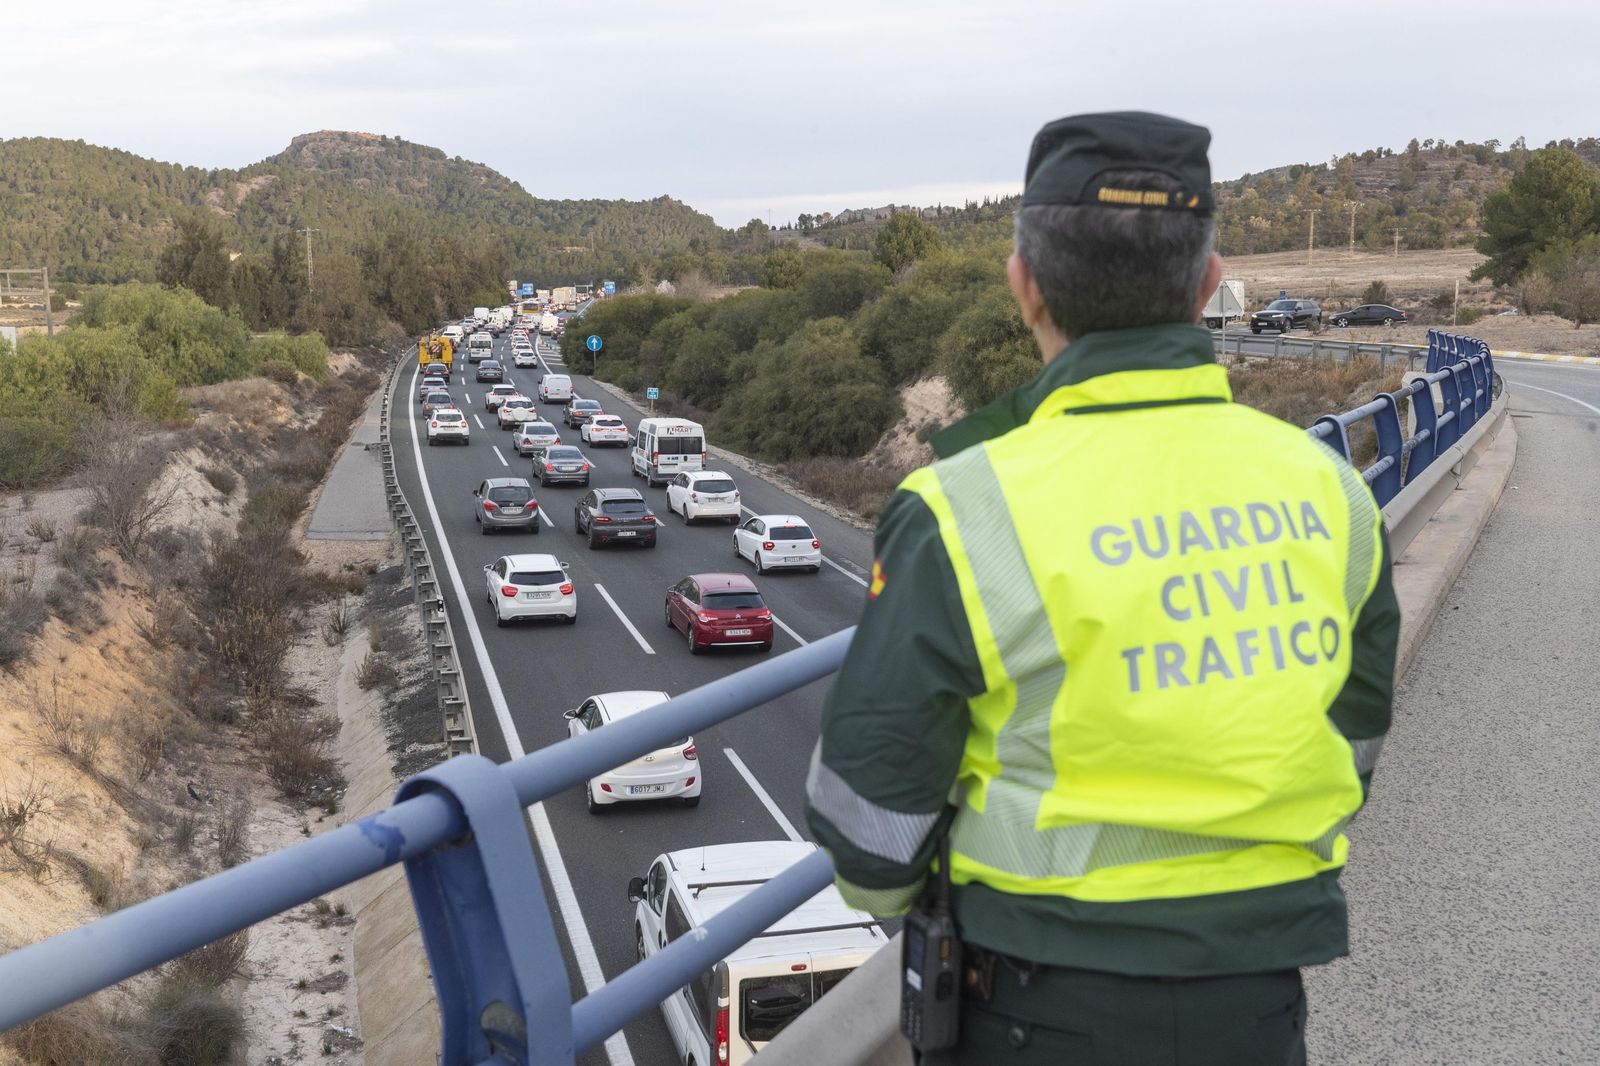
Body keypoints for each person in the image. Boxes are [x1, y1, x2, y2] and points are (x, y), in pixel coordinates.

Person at [805, 111, 1400, 1064]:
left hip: (1035, 1007)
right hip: (1256, 1006)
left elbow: (871, 833)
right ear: (1208, 284)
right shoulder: (1328, 487)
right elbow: (1354, 740)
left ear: (1023, 285)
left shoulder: (962, 507)